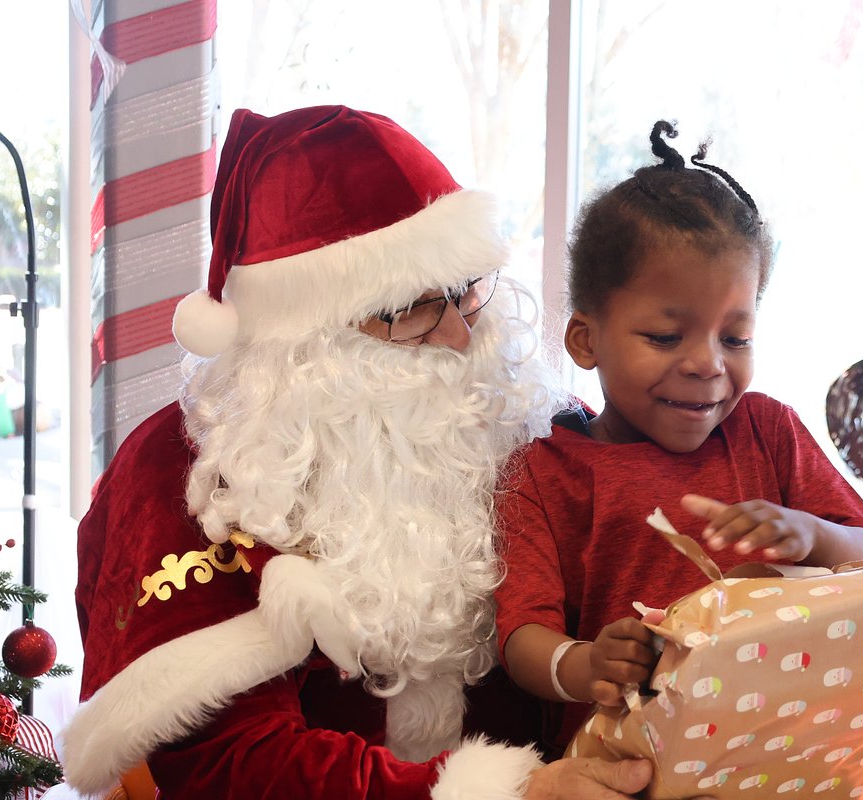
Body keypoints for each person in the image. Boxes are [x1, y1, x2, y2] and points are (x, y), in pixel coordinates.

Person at [63, 105, 653, 799]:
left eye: (466, 292)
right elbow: (229, 763)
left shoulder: (534, 423)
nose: (462, 338)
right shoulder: (192, 470)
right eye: (410, 310)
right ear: (302, 341)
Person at [493, 121, 863, 753]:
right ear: (586, 340)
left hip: (789, 754)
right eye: (665, 336)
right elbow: (519, 638)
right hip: (630, 763)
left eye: (735, 338)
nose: (708, 364)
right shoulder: (545, 473)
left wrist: (813, 535)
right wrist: (587, 663)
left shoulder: (768, 431)